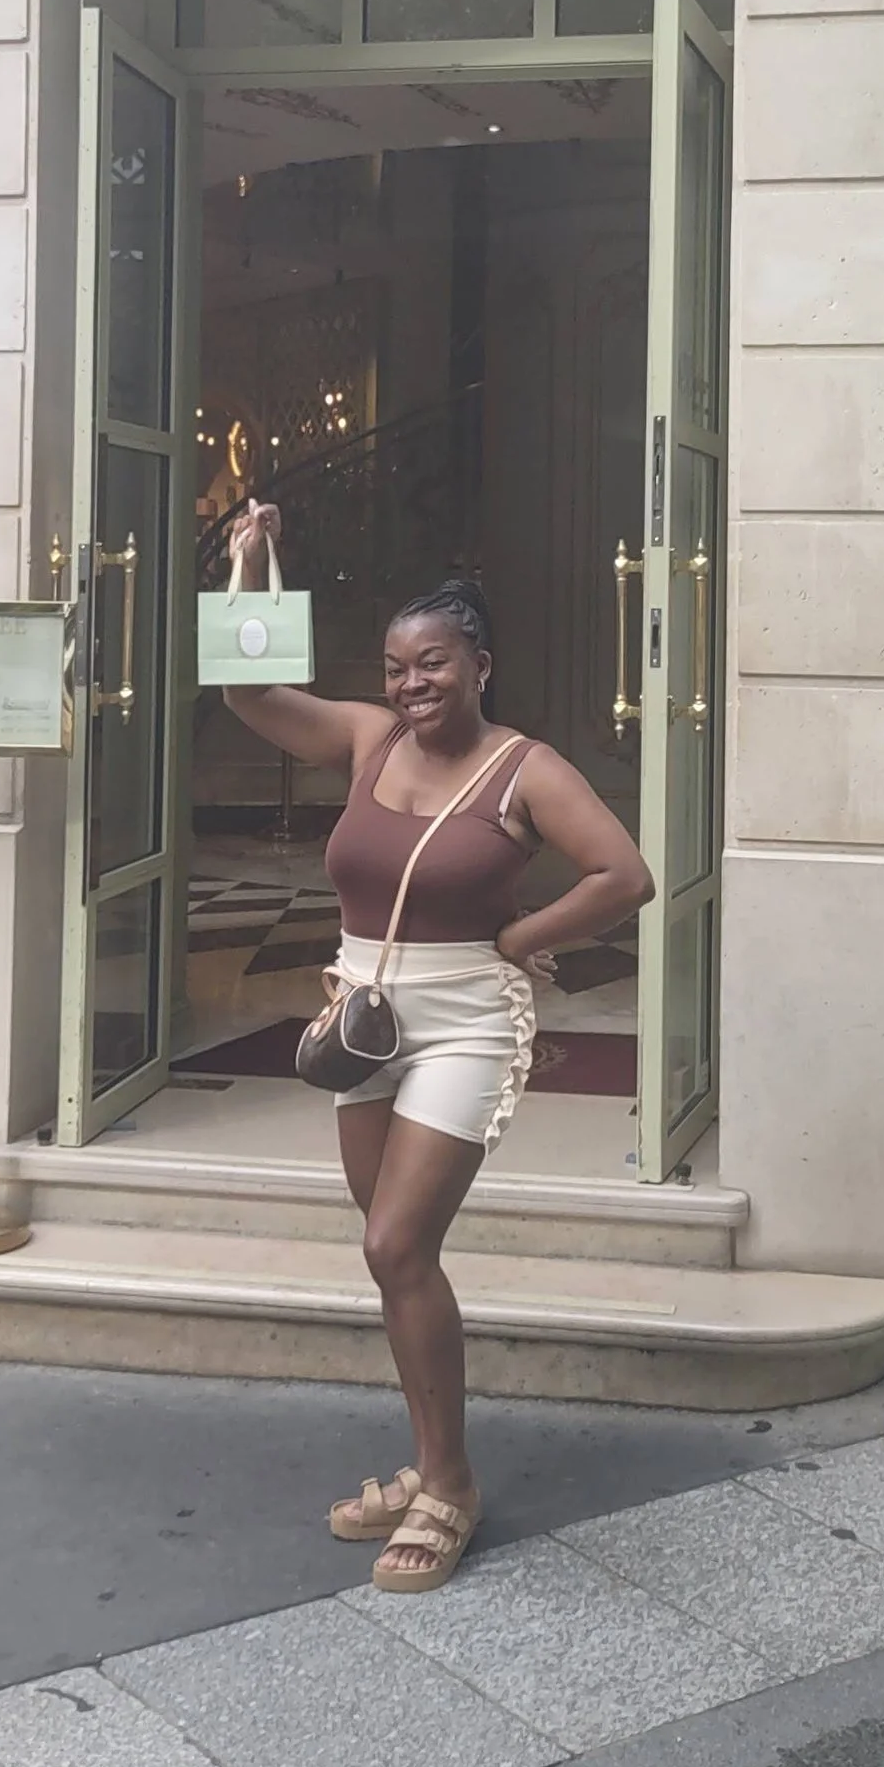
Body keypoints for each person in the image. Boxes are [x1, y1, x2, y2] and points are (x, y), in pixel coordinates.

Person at [220, 500, 654, 1593]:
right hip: (363, 1008)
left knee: (393, 1246)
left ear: (479, 665)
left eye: (434, 665)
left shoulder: (525, 770)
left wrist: (519, 938)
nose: (412, 684)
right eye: (397, 667)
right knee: (390, 1247)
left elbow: (624, 875)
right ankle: (425, 1463)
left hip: (463, 1019)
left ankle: (449, 1483)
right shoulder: (369, 738)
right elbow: (243, 691)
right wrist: (251, 565)